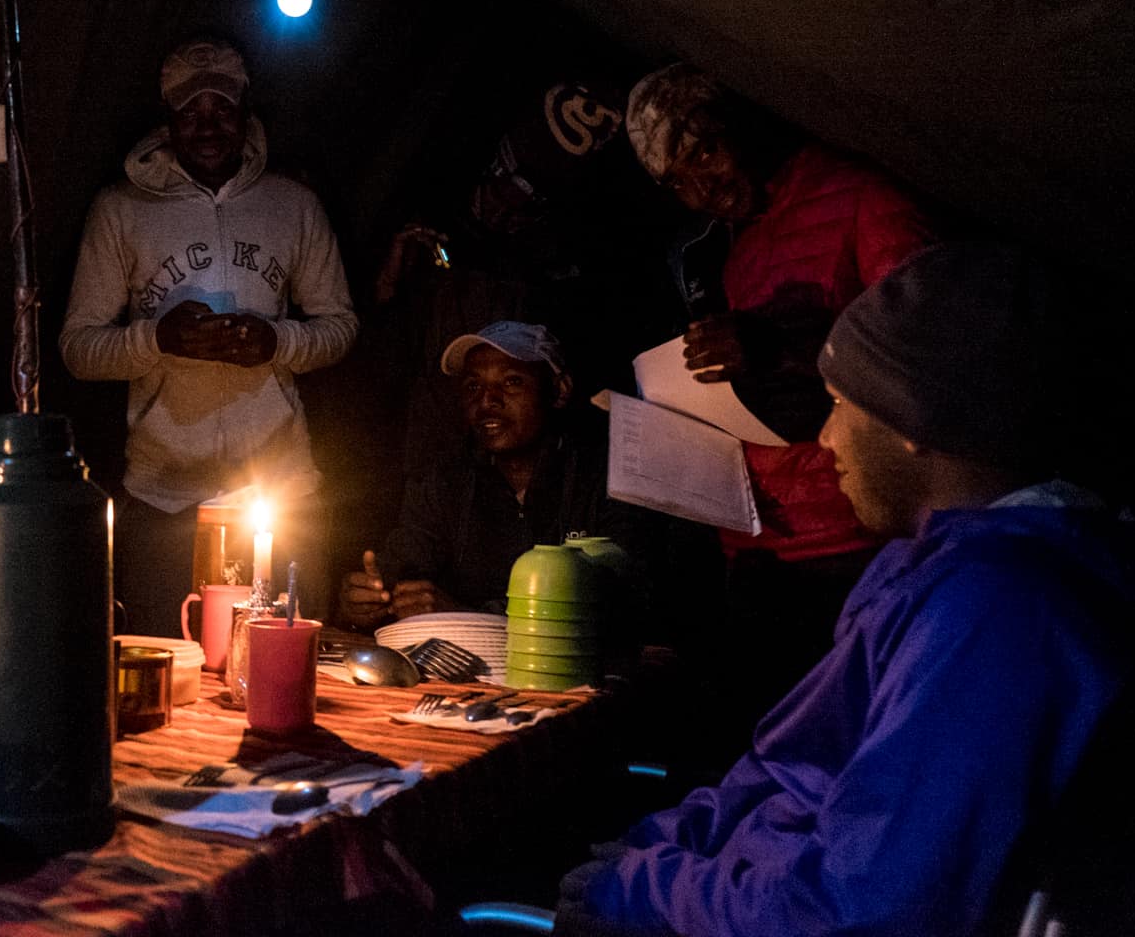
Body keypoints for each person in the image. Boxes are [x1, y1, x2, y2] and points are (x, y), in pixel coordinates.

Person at [556, 242, 1135, 937]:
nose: (827, 438)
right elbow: (792, 771)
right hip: (739, 887)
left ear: (914, 423)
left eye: (839, 405)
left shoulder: (999, 617)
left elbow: (866, 912)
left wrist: (642, 893)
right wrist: (656, 847)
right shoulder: (932, 572)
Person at [626, 62, 936, 730]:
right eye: (676, 181)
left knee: (856, 745)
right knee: (773, 753)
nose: (700, 188)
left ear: (741, 121)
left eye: (704, 151)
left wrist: (777, 346)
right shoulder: (734, 252)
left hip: (853, 546)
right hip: (755, 552)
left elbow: (927, 349)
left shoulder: (858, 197)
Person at [60, 34, 357, 635]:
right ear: (167, 120)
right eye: (190, 112)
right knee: (172, 673)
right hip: (164, 500)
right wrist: (157, 340)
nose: (207, 125)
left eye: (221, 108)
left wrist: (276, 342)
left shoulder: (291, 205)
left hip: (279, 494)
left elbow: (341, 326)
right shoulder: (120, 209)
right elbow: (77, 348)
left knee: (282, 671)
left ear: (246, 112)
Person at [338, 321, 719, 670]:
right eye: (473, 386)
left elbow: (623, 604)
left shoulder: (609, 474)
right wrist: (365, 601)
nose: (487, 400)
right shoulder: (448, 480)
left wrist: (468, 618)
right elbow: (399, 566)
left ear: (559, 390)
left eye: (511, 383)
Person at [369, 79, 687, 486]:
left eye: (528, 198)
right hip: (433, 478)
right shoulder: (435, 237)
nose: (502, 204)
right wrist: (389, 286)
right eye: (503, 180)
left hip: (525, 484)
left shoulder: (559, 279)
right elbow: (386, 358)